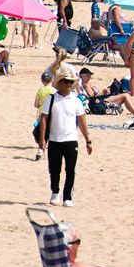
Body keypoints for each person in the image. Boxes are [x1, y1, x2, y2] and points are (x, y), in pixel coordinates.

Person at [37, 68, 92, 207]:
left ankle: (67, 197)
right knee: (54, 169)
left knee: (70, 170)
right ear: (59, 83)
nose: (68, 85)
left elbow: (82, 121)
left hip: (71, 140)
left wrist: (88, 140)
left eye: (70, 82)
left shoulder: (76, 100)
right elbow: (43, 118)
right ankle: (55, 192)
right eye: (65, 82)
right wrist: (42, 139)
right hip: (55, 140)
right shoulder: (51, 98)